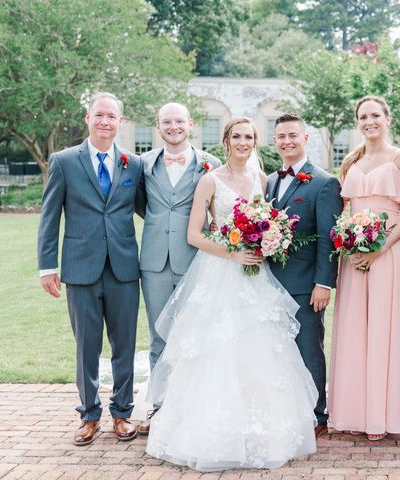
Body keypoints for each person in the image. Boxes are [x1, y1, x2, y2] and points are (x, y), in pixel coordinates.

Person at [145, 117, 318, 471]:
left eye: (249, 137)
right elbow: (195, 234)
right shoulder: (210, 180)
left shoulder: (262, 179)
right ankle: (211, 433)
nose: (243, 142)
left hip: (255, 276)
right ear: (225, 140)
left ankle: (259, 433)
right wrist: (233, 253)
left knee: (259, 351)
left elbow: (270, 221)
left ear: (255, 142)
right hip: (220, 272)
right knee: (216, 350)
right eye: (237, 136)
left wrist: (270, 240)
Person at [37, 92, 142, 446]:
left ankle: (123, 413)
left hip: (124, 268)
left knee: (124, 343)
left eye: (112, 116)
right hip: (80, 269)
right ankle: (89, 415)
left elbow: (153, 211)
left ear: (120, 122)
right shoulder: (64, 161)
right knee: (86, 346)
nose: (105, 122)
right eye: (99, 115)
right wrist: (46, 266)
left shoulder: (133, 163)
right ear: (88, 118)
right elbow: (50, 217)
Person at [327, 96, 400, 441]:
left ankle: (384, 416)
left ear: (387, 118)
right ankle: (354, 412)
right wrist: (349, 244)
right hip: (354, 256)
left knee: (384, 328)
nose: (369, 121)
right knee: (354, 328)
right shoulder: (352, 161)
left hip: (388, 253)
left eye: (375, 115)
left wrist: (378, 248)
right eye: (363, 116)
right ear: (358, 121)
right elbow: (345, 212)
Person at [135, 103, 220, 435]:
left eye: (179, 121)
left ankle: (190, 407)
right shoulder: (142, 165)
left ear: (191, 124)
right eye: (166, 122)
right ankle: (160, 406)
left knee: (192, 334)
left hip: (194, 261)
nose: (174, 127)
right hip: (153, 262)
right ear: (158, 127)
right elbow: (140, 204)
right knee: (159, 335)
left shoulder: (209, 164)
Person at [266, 113, 343, 438]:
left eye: (293, 135)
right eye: (281, 136)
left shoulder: (325, 182)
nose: (287, 141)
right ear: (275, 141)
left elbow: (329, 237)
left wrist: (323, 283)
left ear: (306, 138)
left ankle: (317, 414)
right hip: (269, 283)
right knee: (276, 350)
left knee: (308, 348)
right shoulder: (270, 180)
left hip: (305, 285)